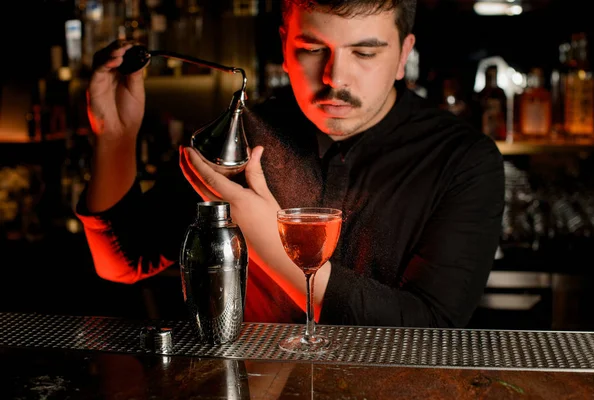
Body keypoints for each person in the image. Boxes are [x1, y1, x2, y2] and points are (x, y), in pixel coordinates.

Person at [76, 0, 505, 328]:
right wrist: (115, 137)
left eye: (365, 53)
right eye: (313, 49)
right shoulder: (244, 134)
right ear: (284, 47)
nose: (336, 77)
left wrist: (273, 245)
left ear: (402, 55)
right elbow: (122, 262)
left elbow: (433, 328)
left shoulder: (463, 159)